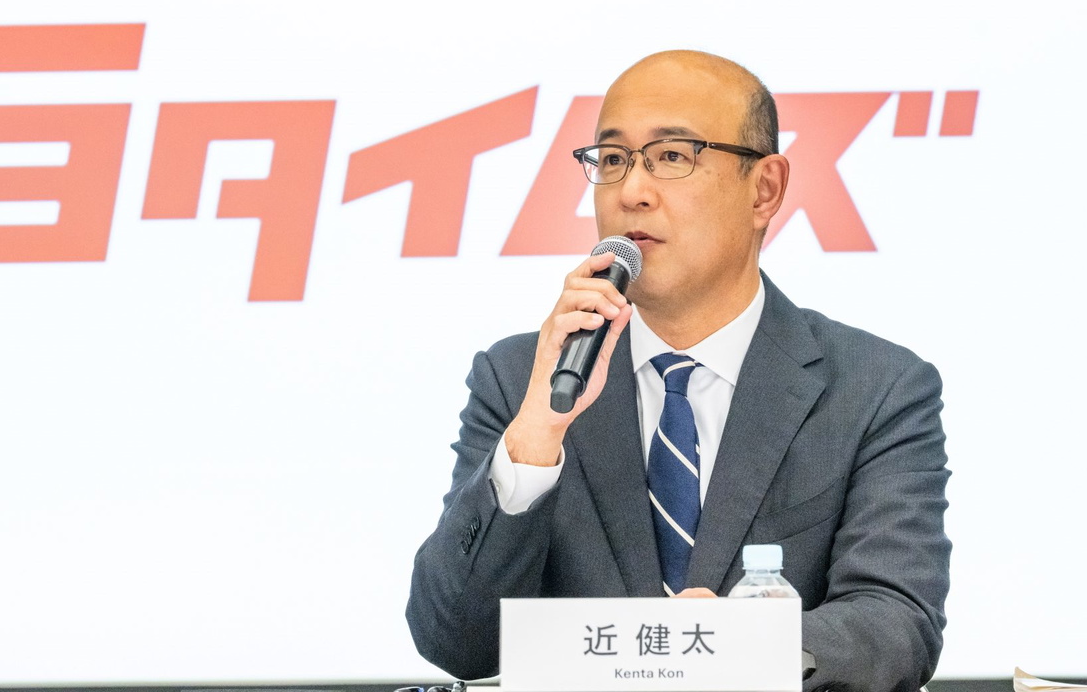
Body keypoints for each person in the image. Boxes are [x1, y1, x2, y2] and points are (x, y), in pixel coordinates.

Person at [405, 50, 951, 692]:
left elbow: (896, 624)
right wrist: (535, 438)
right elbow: (456, 642)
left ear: (765, 189)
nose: (631, 191)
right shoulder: (524, 378)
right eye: (613, 160)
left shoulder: (876, 388)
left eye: (671, 156)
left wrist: (737, 650)